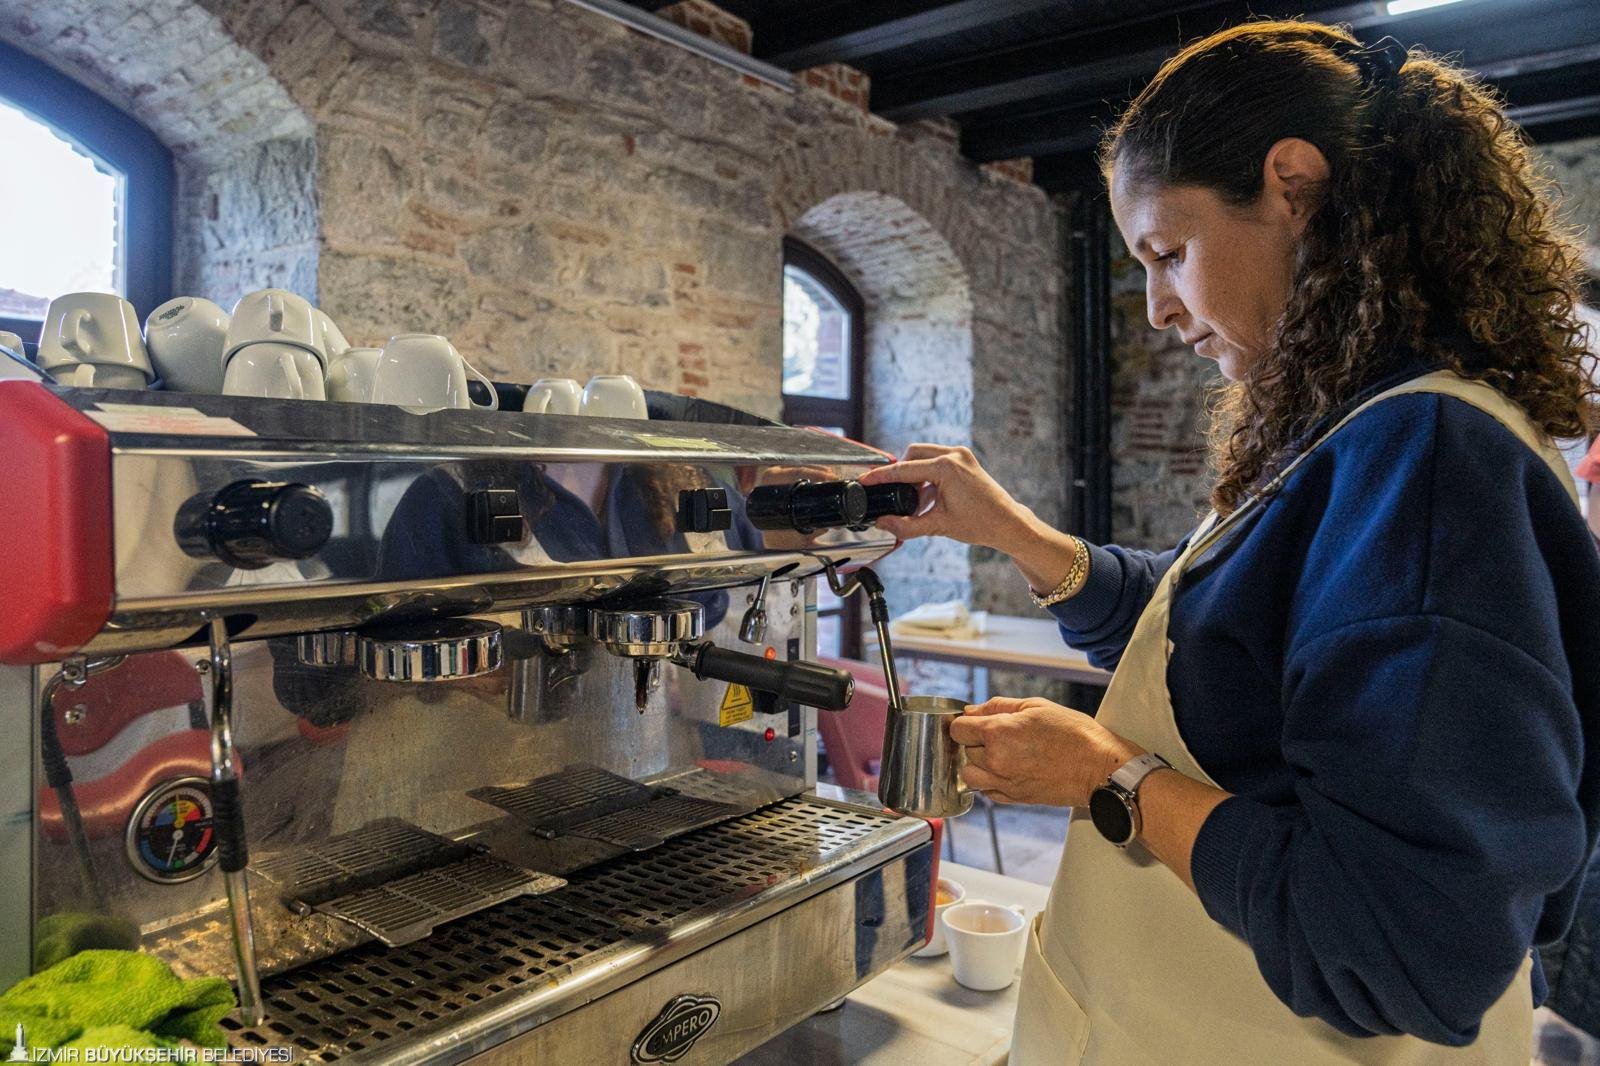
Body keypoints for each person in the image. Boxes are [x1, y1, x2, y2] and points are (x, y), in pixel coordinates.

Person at [859, 20, 1600, 1064]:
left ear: (1292, 187)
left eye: (1168, 252)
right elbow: (1218, 645)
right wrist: (1011, 533)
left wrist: (1106, 776)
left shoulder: (1423, 461)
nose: (1158, 308)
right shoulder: (1362, 430)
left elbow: (1404, 947)